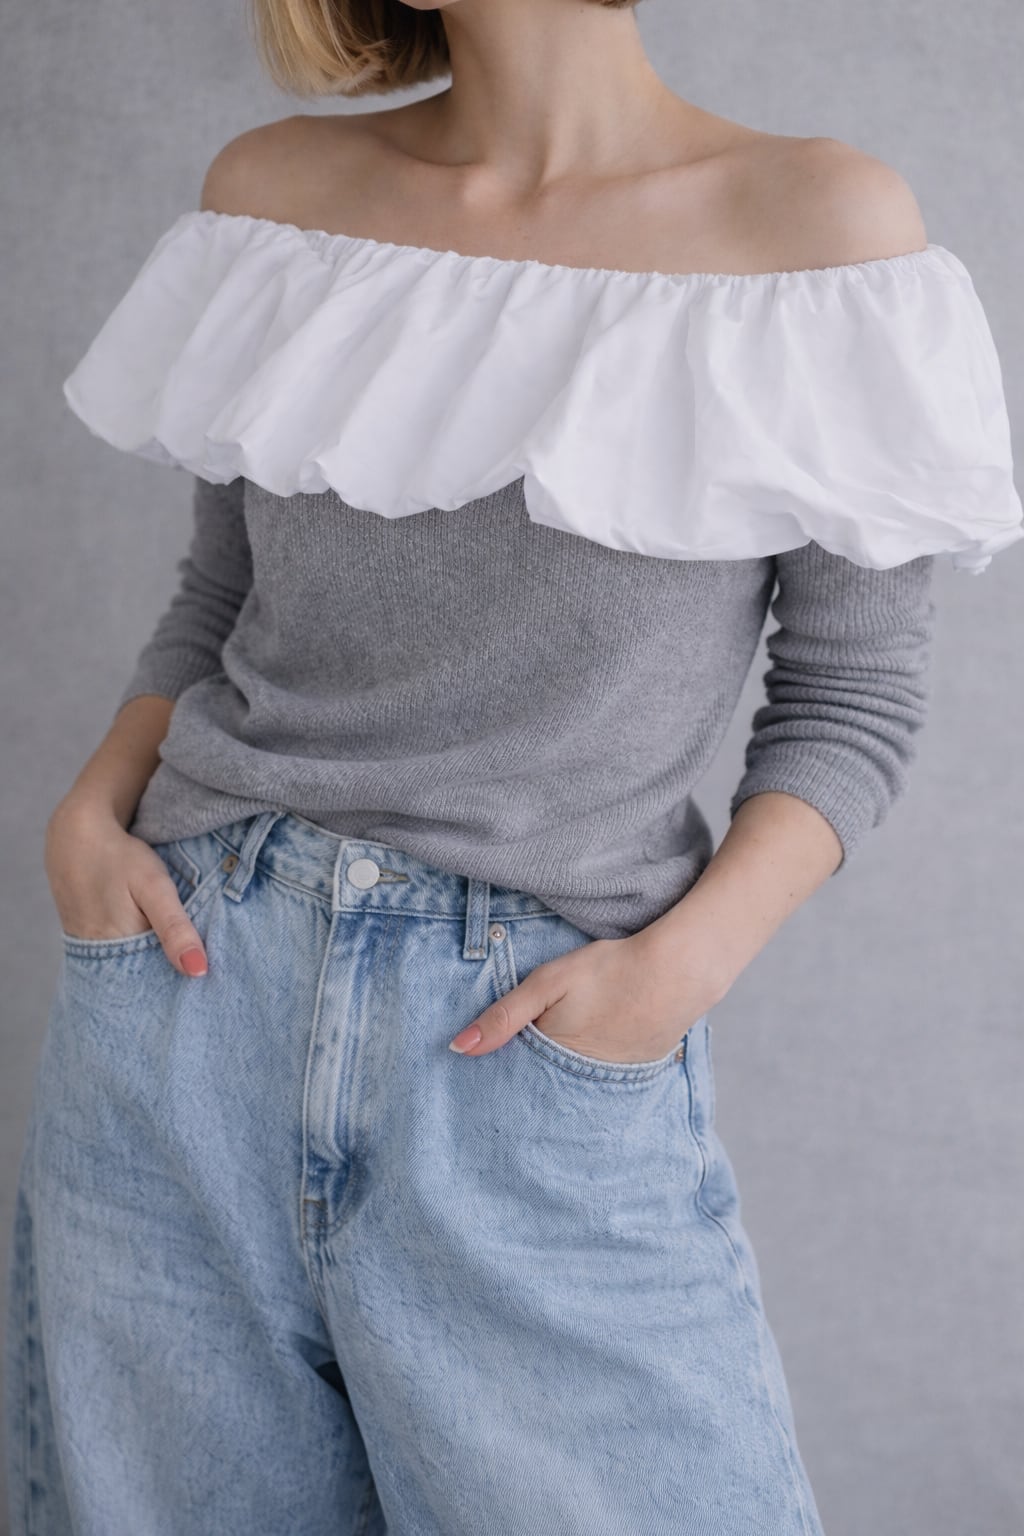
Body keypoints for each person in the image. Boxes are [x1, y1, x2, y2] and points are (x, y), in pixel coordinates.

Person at [6, 1, 1023, 1532]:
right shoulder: (274, 197)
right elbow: (220, 599)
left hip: (524, 1048)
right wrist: (90, 813)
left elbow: (853, 696)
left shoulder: (818, 231)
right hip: (182, 1005)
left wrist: (669, 979)